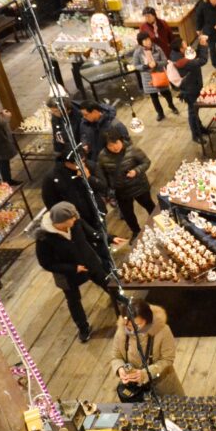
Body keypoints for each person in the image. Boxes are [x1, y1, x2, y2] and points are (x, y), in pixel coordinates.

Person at [36, 202, 125, 343]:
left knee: (107, 281)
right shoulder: (44, 239)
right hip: (67, 274)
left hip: (89, 261)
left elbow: (92, 234)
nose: (75, 220)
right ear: (60, 222)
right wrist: (73, 268)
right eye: (71, 219)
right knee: (73, 300)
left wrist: (110, 238)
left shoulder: (76, 222)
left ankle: (121, 299)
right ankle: (83, 327)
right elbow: (46, 263)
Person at [110, 300, 184, 398]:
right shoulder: (121, 332)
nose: (133, 330)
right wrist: (120, 369)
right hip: (136, 390)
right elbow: (116, 356)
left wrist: (146, 374)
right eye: (128, 326)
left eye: (137, 325)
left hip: (162, 384)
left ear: (147, 319)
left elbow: (167, 359)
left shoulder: (163, 330)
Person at [97, 132, 155, 238]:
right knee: (128, 214)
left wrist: (136, 171)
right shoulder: (102, 156)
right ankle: (136, 231)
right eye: (110, 145)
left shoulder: (133, 149)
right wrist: (109, 190)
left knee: (149, 205)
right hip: (121, 191)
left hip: (139, 186)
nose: (114, 147)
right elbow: (102, 175)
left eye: (116, 143)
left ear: (121, 140)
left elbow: (146, 162)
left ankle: (158, 223)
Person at [42, 148, 108, 234]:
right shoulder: (52, 177)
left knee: (103, 239)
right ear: (67, 163)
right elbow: (51, 203)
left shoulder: (90, 166)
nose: (82, 164)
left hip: (96, 212)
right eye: (79, 163)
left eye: (83, 161)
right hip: (73, 220)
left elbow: (103, 186)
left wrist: (89, 178)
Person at [170, 36, 210, 143]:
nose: (187, 46)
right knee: (193, 112)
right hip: (190, 89)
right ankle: (195, 135)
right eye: (184, 45)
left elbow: (194, 53)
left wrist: (200, 45)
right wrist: (203, 45)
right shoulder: (182, 62)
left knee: (195, 111)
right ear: (180, 49)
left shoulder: (181, 55)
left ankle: (200, 129)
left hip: (192, 86)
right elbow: (202, 60)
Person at [133, 32, 178, 122]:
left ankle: (171, 105)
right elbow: (136, 65)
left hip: (159, 74)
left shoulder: (157, 48)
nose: (148, 41)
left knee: (166, 92)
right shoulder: (138, 52)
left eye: (148, 39)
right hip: (148, 78)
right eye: (145, 40)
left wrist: (157, 64)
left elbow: (165, 61)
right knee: (154, 96)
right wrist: (145, 66)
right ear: (140, 42)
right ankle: (160, 113)